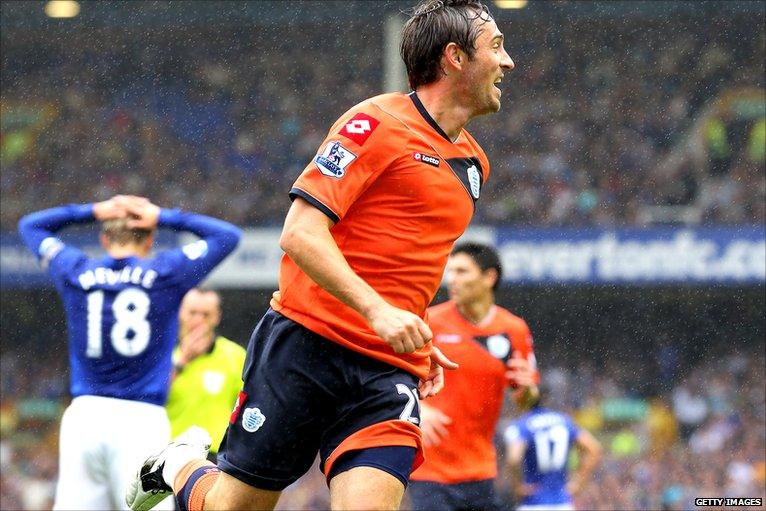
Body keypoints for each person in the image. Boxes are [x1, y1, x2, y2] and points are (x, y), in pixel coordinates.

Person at [127, 1, 514, 510]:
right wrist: (378, 310)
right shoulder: (373, 123)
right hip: (306, 348)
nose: (508, 63)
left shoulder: (473, 163)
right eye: (497, 47)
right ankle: (178, 464)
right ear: (454, 58)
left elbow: (405, 255)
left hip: (387, 371)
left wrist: (414, 328)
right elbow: (301, 234)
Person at [17, 195, 241, 510]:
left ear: (104, 239)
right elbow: (227, 236)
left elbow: (31, 226)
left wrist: (91, 211)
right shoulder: (165, 273)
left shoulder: (77, 272)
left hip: (85, 416)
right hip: (140, 418)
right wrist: (162, 216)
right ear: (150, 239)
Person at [407, 242, 540, 511]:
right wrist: (419, 408)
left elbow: (526, 402)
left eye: (462, 272)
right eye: (451, 272)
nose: (452, 280)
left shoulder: (513, 330)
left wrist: (527, 389)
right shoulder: (429, 321)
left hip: (481, 471)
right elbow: (392, 378)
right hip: (429, 470)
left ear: (489, 277)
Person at [165, 288, 246, 461]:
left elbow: (248, 406)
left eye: (206, 315)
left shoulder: (235, 355)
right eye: (193, 313)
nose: (198, 320)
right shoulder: (163, 354)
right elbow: (151, 399)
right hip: (169, 454)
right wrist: (183, 361)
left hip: (215, 455)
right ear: (180, 312)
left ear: (217, 317)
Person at [503, 393, 602, 511]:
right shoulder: (564, 421)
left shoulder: (521, 425)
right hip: (562, 503)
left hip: (533, 502)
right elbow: (594, 449)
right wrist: (579, 482)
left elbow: (514, 458)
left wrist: (517, 486)